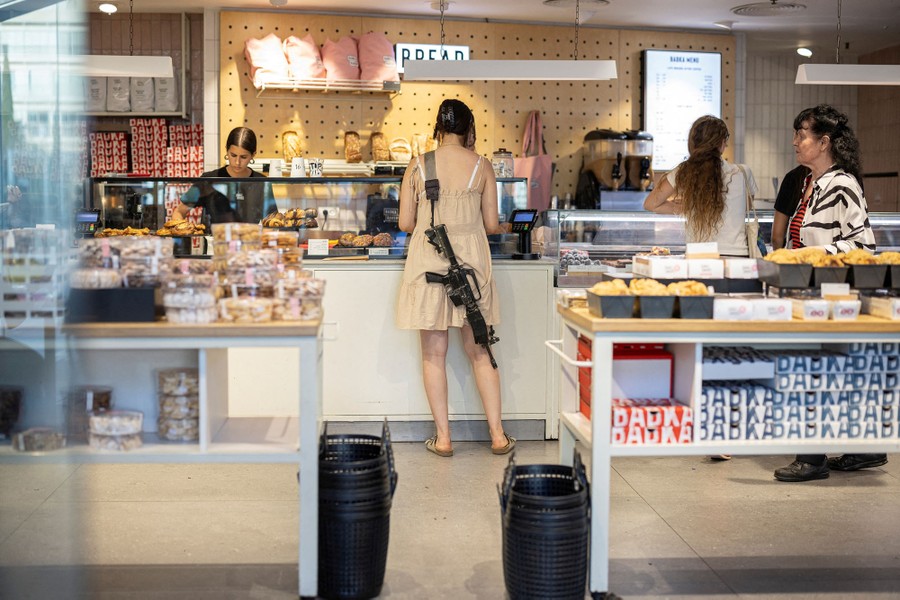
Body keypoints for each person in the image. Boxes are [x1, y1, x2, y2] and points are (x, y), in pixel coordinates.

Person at [395, 99, 514, 457]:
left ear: (438, 129)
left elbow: (404, 224)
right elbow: (492, 225)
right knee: (480, 351)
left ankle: (444, 438)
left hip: (428, 265)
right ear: (470, 130)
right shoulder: (482, 166)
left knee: (433, 354)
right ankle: (498, 436)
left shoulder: (417, 166)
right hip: (472, 270)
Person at [774, 104, 881, 483]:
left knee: (813, 373)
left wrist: (809, 254)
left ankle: (811, 458)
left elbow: (863, 246)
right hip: (816, 293)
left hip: (834, 297)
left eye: (801, 134)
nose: (795, 141)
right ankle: (865, 447)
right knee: (833, 373)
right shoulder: (813, 184)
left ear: (824, 142)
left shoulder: (841, 184)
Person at [643, 115, 758, 257]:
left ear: (693, 143)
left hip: (699, 257)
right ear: (723, 143)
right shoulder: (743, 173)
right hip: (737, 256)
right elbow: (746, 206)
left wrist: (687, 206)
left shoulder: (684, 171)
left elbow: (650, 204)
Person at [173, 126, 273, 225]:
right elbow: (179, 211)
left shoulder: (262, 182)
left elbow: (272, 220)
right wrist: (180, 231)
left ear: (253, 154)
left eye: (243, 157)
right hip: (215, 240)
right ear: (226, 150)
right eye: (233, 155)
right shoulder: (207, 180)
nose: (237, 162)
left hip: (250, 240)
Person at [771, 165, 810, 250]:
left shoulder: (793, 177)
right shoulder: (841, 177)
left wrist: (779, 258)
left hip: (795, 258)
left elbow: (777, 236)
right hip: (828, 260)